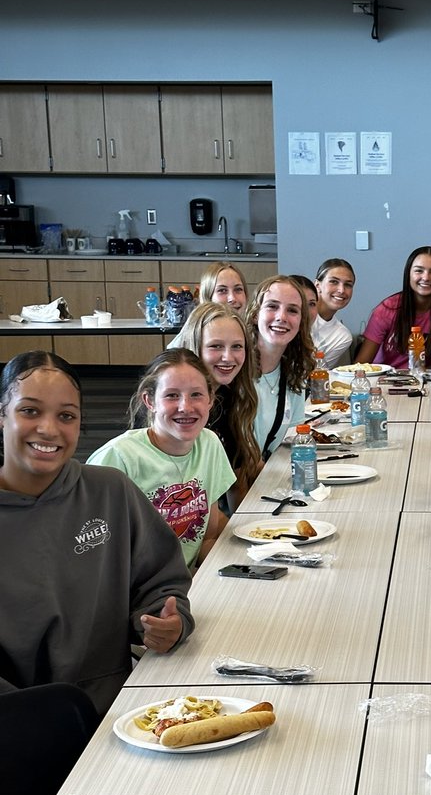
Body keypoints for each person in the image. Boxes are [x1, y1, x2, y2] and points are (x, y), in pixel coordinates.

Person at [0, 351, 193, 717]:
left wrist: (167, 622)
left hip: (117, 710)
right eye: (29, 411)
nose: (49, 429)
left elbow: (161, 581)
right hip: (18, 724)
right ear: (2, 416)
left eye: (66, 416)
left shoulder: (110, 492)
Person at [88, 349, 234, 568]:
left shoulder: (209, 444)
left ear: (211, 399)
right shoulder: (117, 458)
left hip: (186, 584)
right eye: (172, 395)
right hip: (135, 594)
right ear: (149, 401)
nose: (185, 407)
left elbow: (209, 536)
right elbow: (93, 555)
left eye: (196, 394)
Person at [171, 301, 261, 508]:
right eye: (215, 346)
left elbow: (235, 473)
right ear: (195, 347)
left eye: (237, 346)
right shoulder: (173, 409)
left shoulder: (225, 396)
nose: (228, 357)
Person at [354, 246, 431, 370]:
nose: (426, 277)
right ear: (408, 274)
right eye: (419, 271)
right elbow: (360, 366)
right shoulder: (386, 310)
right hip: (386, 381)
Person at [247, 275, 314, 458]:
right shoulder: (235, 371)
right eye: (272, 306)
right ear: (255, 315)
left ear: (301, 323)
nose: (281, 317)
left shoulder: (294, 374)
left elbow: (293, 438)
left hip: (263, 474)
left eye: (292, 310)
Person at [313, 258, 356, 368]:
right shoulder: (297, 316)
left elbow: (317, 373)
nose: (341, 290)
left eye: (348, 285)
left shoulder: (342, 336)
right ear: (317, 285)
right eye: (334, 282)